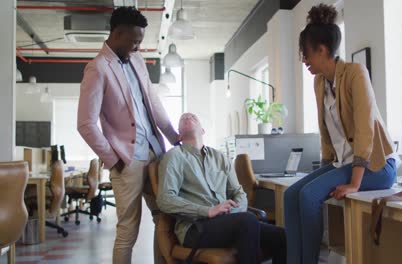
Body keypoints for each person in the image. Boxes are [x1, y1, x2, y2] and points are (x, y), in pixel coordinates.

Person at [283, 4, 401, 264]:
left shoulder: (356, 73)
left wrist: (355, 182)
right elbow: (326, 135)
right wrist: (323, 173)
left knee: (309, 195)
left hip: (377, 166)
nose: (304, 60)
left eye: (306, 54)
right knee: (291, 195)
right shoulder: (319, 82)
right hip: (344, 163)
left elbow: (364, 129)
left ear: (323, 50)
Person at [77, 7, 179, 264]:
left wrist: (174, 137)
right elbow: (85, 124)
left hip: (156, 153)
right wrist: (113, 159)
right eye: (134, 41)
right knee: (128, 231)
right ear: (118, 33)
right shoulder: (97, 68)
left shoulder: (137, 59)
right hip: (127, 159)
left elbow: (153, 103)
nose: (137, 46)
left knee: (165, 221)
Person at [157, 113, 286, 264]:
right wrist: (207, 211)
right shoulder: (174, 157)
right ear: (179, 135)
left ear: (203, 131)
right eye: (182, 118)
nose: (187, 116)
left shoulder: (220, 157)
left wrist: (232, 212)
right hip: (195, 228)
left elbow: (239, 193)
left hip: (227, 222)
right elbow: (165, 200)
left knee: (282, 236)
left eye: (193, 117)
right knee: (247, 221)